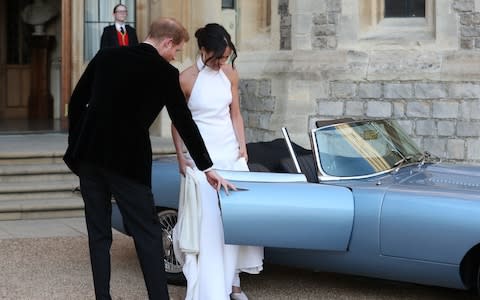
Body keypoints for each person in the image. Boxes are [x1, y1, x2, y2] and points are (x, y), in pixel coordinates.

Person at [64, 17, 234, 300]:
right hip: (127, 163)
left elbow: (78, 99)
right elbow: (184, 120)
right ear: (167, 42)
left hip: (90, 158)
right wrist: (207, 166)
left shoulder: (107, 56)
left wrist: (77, 146)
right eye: (176, 50)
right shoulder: (165, 73)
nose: (175, 56)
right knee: (148, 235)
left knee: (98, 234)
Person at [171, 23, 264, 300]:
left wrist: (243, 148)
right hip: (201, 159)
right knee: (208, 223)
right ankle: (208, 287)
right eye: (219, 57)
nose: (223, 62)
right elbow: (178, 123)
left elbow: (235, 113)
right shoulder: (186, 79)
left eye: (226, 57)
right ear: (203, 51)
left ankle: (233, 282)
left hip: (230, 156)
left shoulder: (230, 75)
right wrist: (180, 157)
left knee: (234, 220)